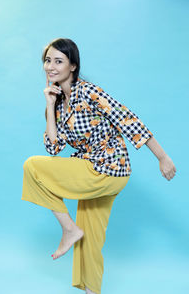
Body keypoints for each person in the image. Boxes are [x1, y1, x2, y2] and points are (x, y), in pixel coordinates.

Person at [21, 38, 176, 294]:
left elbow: (128, 119)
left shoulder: (89, 92)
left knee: (33, 167)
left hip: (105, 168)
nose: (50, 66)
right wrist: (49, 105)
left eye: (58, 61)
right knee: (89, 241)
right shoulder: (59, 103)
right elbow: (53, 147)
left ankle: (69, 229)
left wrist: (162, 157)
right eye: (48, 60)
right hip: (101, 171)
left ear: (73, 66)